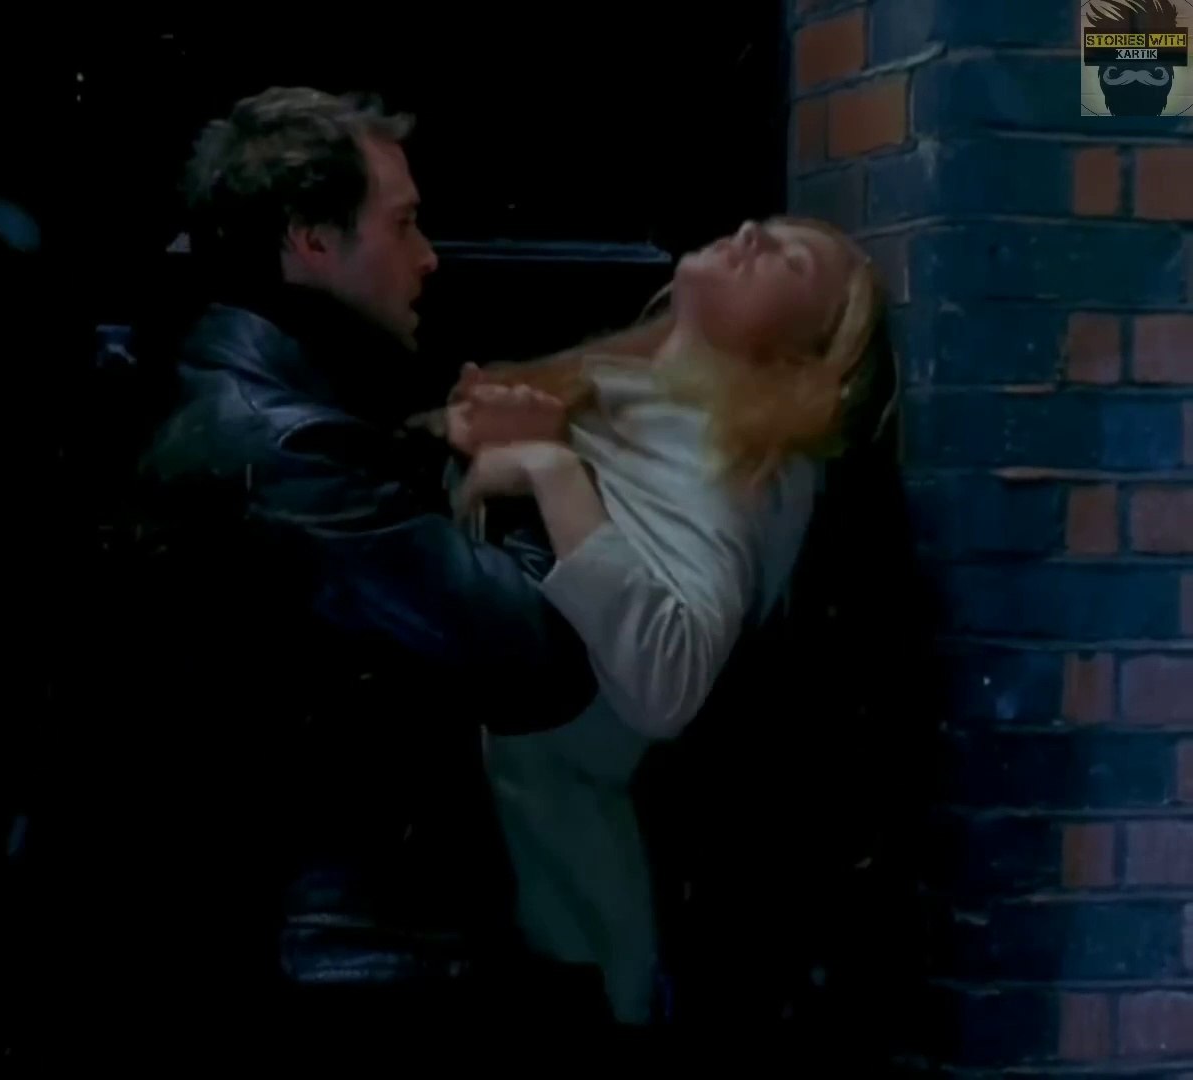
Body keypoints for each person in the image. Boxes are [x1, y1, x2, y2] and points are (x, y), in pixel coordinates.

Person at [130, 85, 612, 1050]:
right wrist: (526, 471)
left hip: (322, 950)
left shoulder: (245, 394)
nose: (428, 256)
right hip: (354, 966)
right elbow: (537, 661)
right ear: (312, 239)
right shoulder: (293, 453)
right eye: (402, 224)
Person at [429, 215, 896, 1026]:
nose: (748, 234)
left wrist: (552, 471)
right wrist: (468, 447)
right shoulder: (622, 392)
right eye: (764, 230)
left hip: (550, 909)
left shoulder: (734, 455)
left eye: (787, 261)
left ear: (801, 354)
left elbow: (664, 678)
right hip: (471, 870)